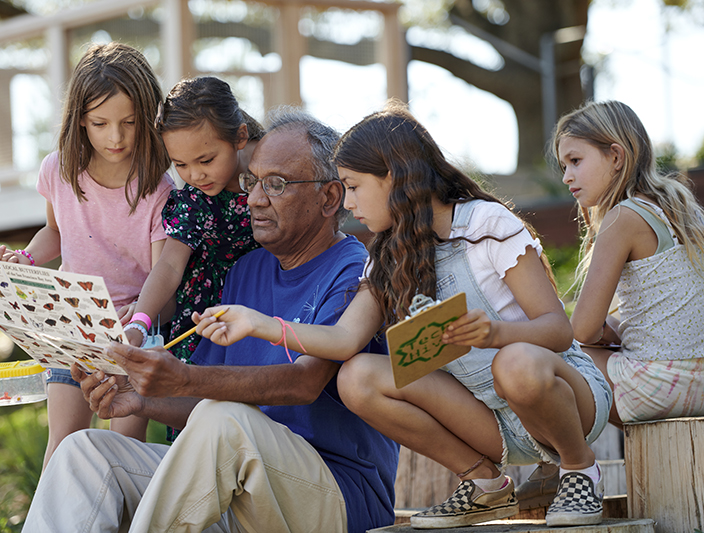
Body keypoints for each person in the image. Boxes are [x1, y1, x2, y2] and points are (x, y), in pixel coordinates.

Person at [197, 102, 613, 529]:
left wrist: (494, 333)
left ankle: (580, 470)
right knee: (357, 376)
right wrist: (258, 324)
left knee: (515, 361)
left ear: (392, 178)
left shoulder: (486, 223)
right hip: (490, 421)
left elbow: (559, 331)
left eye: (355, 187)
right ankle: (485, 485)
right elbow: (343, 341)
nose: (349, 202)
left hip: (565, 401)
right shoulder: (387, 256)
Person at [21, 108, 399, 533]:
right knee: (84, 452)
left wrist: (182, 379)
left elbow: (303, 383)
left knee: (224, 421)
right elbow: (201, 397)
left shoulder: (354, 270)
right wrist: (141, 400)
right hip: (240, 490)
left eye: (275, 184)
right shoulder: (247, 270)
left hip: (335, 495)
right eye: (252, 181)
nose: (254, 198)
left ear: (330, 198)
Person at [0, 42, 173, 467]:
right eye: (100, 123)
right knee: (62, 447)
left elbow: (164, 267)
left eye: (129, 122)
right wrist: (28, 259)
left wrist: (139, 327)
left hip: (130, 332)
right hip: (69, 322)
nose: (116, 137)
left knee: (124, 456)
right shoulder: (60, 169)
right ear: (80, 121)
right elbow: (55, 232)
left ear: (147, 118)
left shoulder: (157, 188)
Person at [554, 100, 704, 425]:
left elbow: (580, 330)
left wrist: (604, 331)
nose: (567, 176)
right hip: (698, 380)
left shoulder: (623, 217)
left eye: (575, 161)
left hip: (661, 387)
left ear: (616, 156)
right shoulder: (681, 211)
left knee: (550, 360)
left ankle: (567, 465)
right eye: (564, 166)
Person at [122, 76, 262, 361]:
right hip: (205, 318)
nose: (195, 176)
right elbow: (170, 265)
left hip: (265, 307)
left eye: (206, 160)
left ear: (240, 137)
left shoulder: (275, 171)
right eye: (181, 165)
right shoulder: (196, 201)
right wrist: (139, 321)